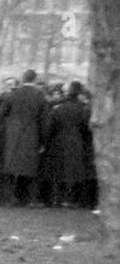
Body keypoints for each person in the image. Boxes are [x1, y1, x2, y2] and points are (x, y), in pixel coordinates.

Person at [0, 68, 50, 206]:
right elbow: (45, 121)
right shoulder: (40, 96)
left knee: (10, 166)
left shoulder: (12, 95)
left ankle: (8, 198)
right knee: (30, 168)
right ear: (35, 80)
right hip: (32, 134)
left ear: (23, 79)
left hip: (12, 134)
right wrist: (43, 141)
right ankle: (29, 199)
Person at [42, 81, 92, 209]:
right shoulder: (83, 109)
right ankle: (71, 199)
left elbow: (50, 127)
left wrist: (46, 141)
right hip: (77, 142)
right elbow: (86, 128)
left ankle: (56, 199)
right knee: (74, 172)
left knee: (58, 171)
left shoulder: (58, 108)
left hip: (58, 141)